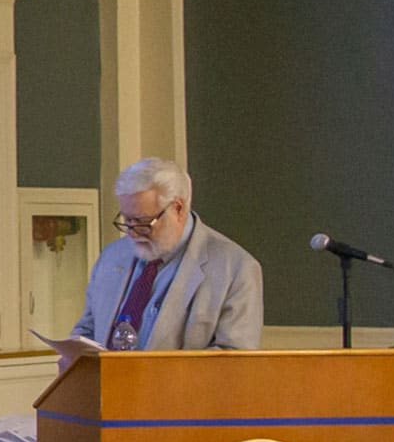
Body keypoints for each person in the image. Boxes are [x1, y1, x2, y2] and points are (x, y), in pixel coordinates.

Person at [65, 157, 262, 368]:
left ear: (177, 208)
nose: (133, 232)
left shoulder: (236, 268)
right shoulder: (112, 256)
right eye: (127, 220)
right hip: (108, 396)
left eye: (142, 221)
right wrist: (72, 357)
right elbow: (89, 327)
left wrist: (154, 382)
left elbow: (235, 362)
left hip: (180, 399)